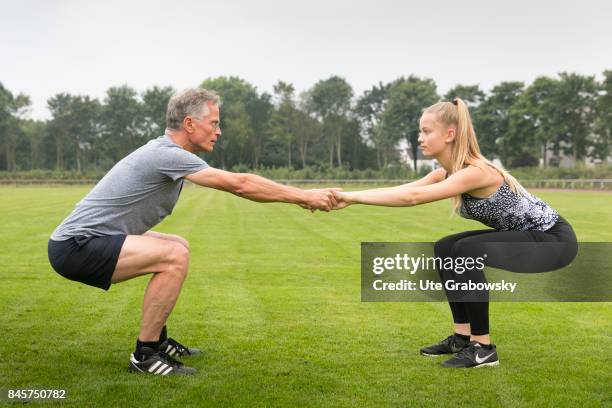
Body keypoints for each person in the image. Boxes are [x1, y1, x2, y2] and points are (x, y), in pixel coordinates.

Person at [47, 88, 339, 376]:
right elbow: (240, 184)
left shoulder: (167, 152)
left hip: (86, 240)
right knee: (173, 256)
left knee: (178, 245)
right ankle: (145, 355)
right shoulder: (168, 154)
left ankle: (158, 342)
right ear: (189, 124)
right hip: (76, 246)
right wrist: (303, 196)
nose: (219, 131)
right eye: (214, 123)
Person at [332, 98, 577, 368]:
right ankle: (462, 337)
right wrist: (348, 197)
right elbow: (404, 189)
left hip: (554, 242)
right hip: (534, 239)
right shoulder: (446, 174)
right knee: (445, 247)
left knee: (466, 251)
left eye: (426, 131)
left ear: (449, 135)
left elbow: (413, 198)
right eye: (420, 131)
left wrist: (352, 197)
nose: (419, 138)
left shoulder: (476, 172)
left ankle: (483, 348)